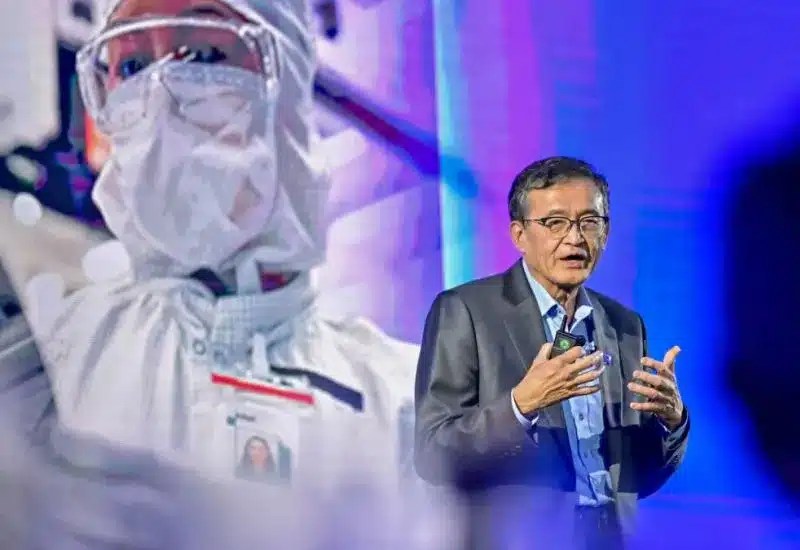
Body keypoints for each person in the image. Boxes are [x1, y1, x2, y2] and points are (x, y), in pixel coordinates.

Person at [36, 0, 418, 488]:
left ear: (288, 88)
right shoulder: (50, 369)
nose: (160, 94)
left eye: (204, 55)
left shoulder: (407, 412)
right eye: (131, 67)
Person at [414, 156, 690, 548]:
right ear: (519, 235)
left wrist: (671, 422)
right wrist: (520, 406)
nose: (575, 238)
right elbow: (433, 453)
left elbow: (637, 479)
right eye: (555, 223)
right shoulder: (466, 311)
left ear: (606, 232)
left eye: (589, 222)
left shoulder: (625, 326)